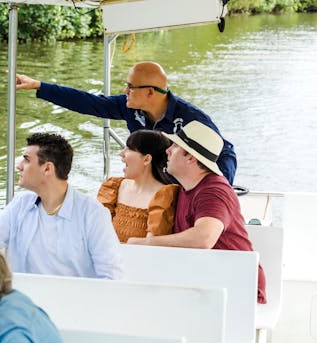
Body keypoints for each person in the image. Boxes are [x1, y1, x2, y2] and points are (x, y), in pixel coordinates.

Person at [15, 61, 237, 185]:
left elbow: (225, 151)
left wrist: (220, 188)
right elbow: (88, 102)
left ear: (150, 92)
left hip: (180, 187)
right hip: (151, 184)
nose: (125, 91)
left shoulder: (191, 119)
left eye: (130, 87)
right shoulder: (129, 107)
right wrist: (39, 86)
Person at [127, 121, 266, 303]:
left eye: (175, 146)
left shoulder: (214, 190)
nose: (167, 151)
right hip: (206, 280)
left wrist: (147, 243)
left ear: (191, 157)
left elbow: (203, 238)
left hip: (238, 288)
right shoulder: (186, 187)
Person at [0, 132, 123, 279]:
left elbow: (111, 277)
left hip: (74, 301)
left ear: (47, 169)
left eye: (27, 160)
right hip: (23, 300)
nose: (19, 166)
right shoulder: (20, 204)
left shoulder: (93, 214)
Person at [97, 130, 179, 243]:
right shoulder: (112, 186)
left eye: (129, 148)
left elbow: (150, 246)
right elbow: (95, 232)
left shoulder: (164, 195)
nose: (121, 153)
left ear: (147, 159)